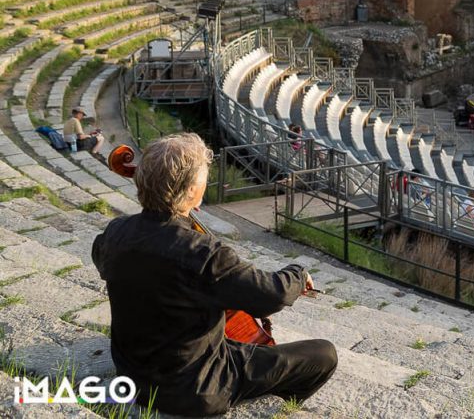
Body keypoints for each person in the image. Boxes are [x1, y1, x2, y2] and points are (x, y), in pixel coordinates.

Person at [92, 134, 337, 416]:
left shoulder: (115, 232)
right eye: (203, 181)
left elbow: (107, 261)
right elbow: (272, 296)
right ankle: (277, 407)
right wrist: (298, 273)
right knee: (323, 354)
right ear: (191, 190)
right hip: (194, 389)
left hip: (132, 376)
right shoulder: (204, 253)